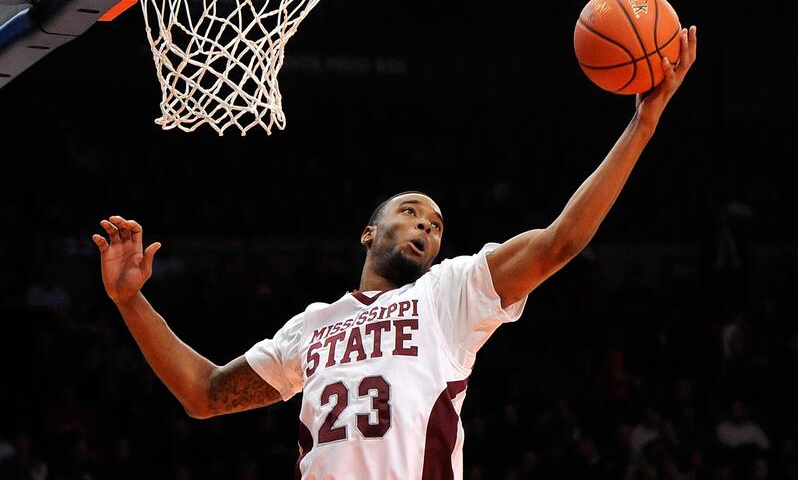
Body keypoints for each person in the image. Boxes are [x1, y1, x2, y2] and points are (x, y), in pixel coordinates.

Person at [92, 27, 698, 479]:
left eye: (435, 224)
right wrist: (130, 300)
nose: (426, 226)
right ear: (369, 231)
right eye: (410, 211)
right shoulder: (310, 326)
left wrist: (643, 124)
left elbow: (562, 239)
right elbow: (203, 394)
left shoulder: (449, 294)